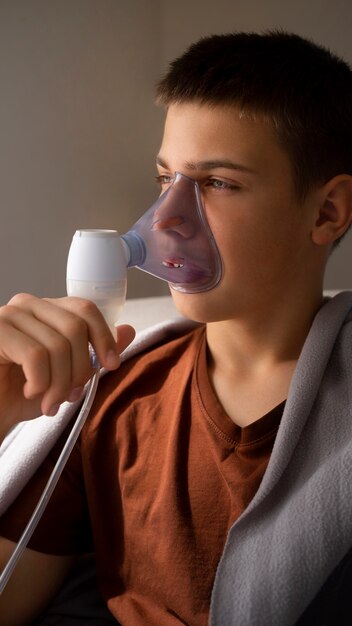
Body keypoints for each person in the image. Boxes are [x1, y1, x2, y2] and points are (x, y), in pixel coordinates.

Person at [1, 29, 352, 626]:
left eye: (217, 183)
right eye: (168, 179)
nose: (167, 219)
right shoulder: (110, 394)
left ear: (327, 212)